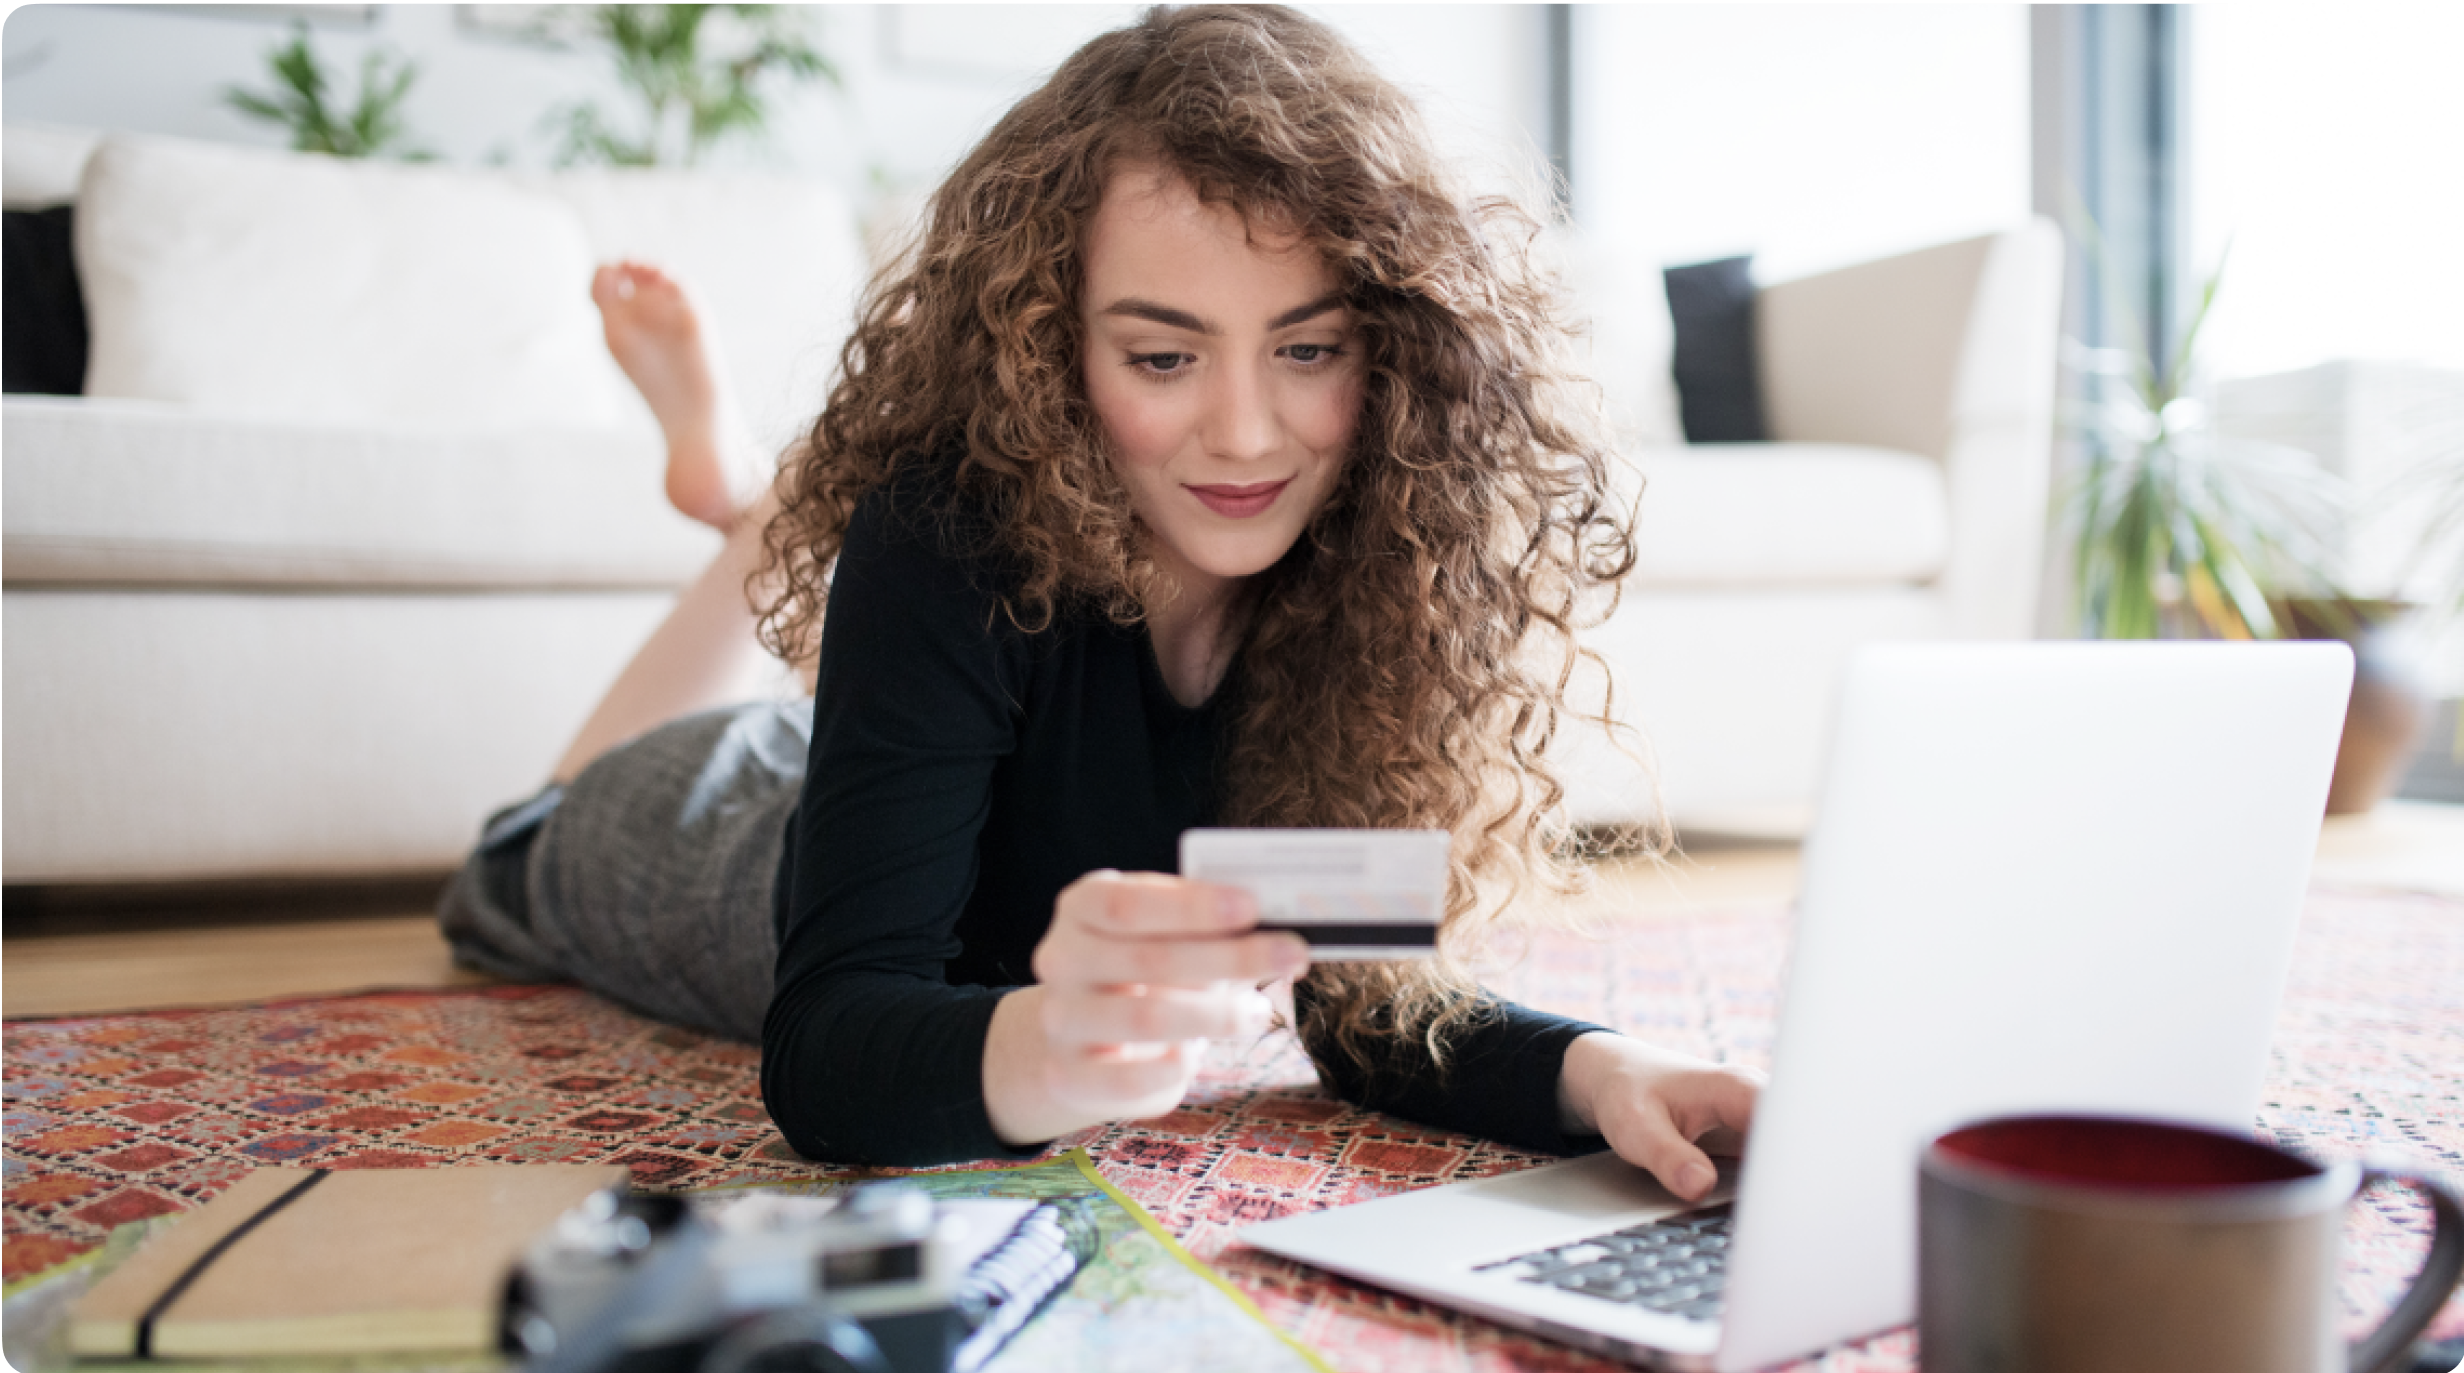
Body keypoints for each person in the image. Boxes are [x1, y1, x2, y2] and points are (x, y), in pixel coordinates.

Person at [441, 3, 1759, 1202]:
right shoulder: (946, 527)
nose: (1246, 434)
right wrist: (1042, 1045)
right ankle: (766, 507)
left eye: (1307, 349)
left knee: (841, 735)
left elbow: (1364, 1006)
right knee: (529, 836)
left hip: (885, 767)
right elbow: (830, 1049)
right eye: (1163, 355)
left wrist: (1603, 1071)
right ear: (1051, 350)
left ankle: (768, 509)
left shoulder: (1376, 553)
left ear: (1395, 349)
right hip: (719, 850)